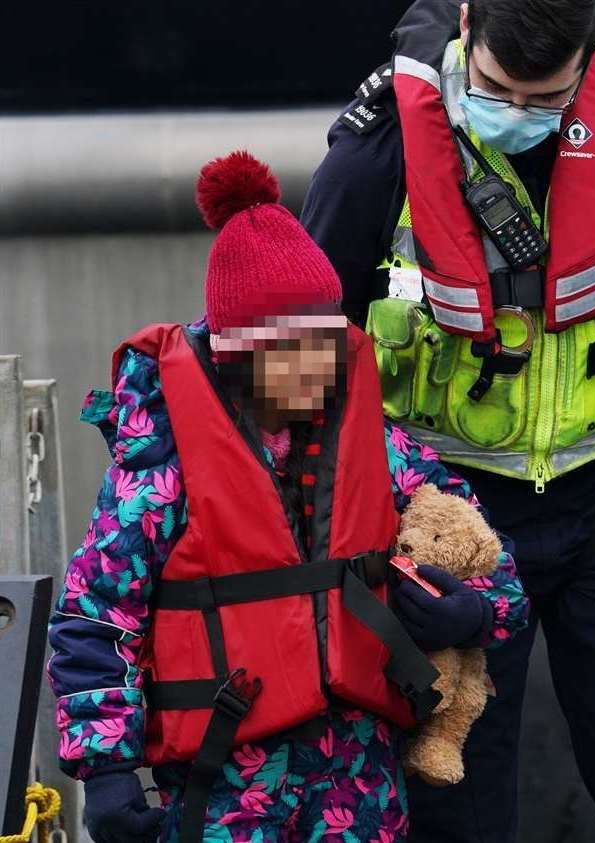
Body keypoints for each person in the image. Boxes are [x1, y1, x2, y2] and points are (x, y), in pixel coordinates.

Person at [300, 1, 595, 841]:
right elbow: (298, 361)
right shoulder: (380, 143)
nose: (519, 115)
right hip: (446, 520)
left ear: (590, 55)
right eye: (496, 90)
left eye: (546, 99)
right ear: (464, 25)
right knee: (455, 805)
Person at [47, 150, 528, 843]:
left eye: (327, 343)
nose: (316, 368)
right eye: (290, 349)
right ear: (238, 353)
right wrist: (107, 772)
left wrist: (473, 612)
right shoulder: (158, 467)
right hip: (226, 790)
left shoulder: (381, 449)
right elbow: (96, 616)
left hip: (360, 782)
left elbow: (491, 564)